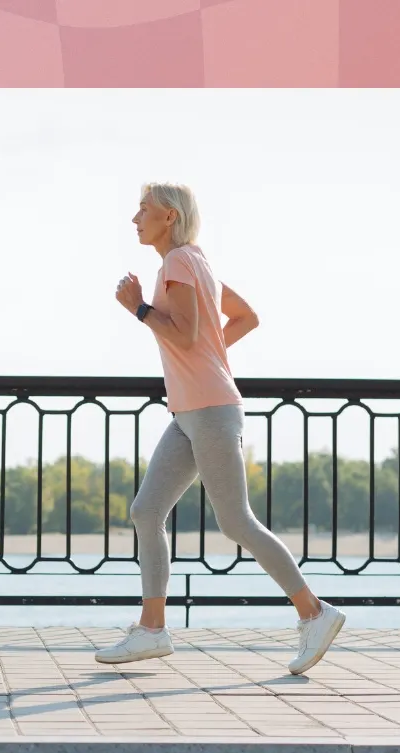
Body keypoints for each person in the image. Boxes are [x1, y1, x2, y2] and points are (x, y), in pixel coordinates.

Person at [95, 182, 345, 676]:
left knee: (236, 522)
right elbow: (244, 318)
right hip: (191, 410)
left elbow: (185, 335)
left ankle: (315, 612)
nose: (134, 218)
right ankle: (152, 629)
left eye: (143, 209)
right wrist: (213, 356)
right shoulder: (196, 262)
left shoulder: (178, 264)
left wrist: (139, 309)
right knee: (147, 510)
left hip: (208, 408)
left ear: (169, 216)